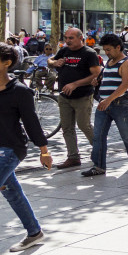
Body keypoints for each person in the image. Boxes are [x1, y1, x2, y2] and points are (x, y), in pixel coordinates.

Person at [0, 43, 53, 252]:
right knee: (12, 192)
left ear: (7, 63)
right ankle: (34, 232)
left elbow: (31, 123)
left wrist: (44, 151)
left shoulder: (20, 91)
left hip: (11, 149)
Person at [83, 34, 128, 177]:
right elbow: (107, 80)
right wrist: (97, 82)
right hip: (104, 104)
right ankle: (98, 166)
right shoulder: (108, 63)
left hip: (120, 104)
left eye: (109, 50)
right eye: (105, 50)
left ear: (118, 47)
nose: (106, 53)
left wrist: (108, 99)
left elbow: (125, 85)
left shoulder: (127, 63)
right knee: (98, 136)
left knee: (126, 134)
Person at [48, 28, 101, 169]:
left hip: (82, 96)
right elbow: (49, 60)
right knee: (66, 127)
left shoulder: (89, 53)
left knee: (84, 125)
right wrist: (54, 63)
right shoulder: (64, 51)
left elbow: (96, 73)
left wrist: (75, 84)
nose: (67, 41)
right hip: (64, 96)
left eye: (71, 38)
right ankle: (73, 157)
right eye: (66, 38)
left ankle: (100, 151)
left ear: (80, 38)